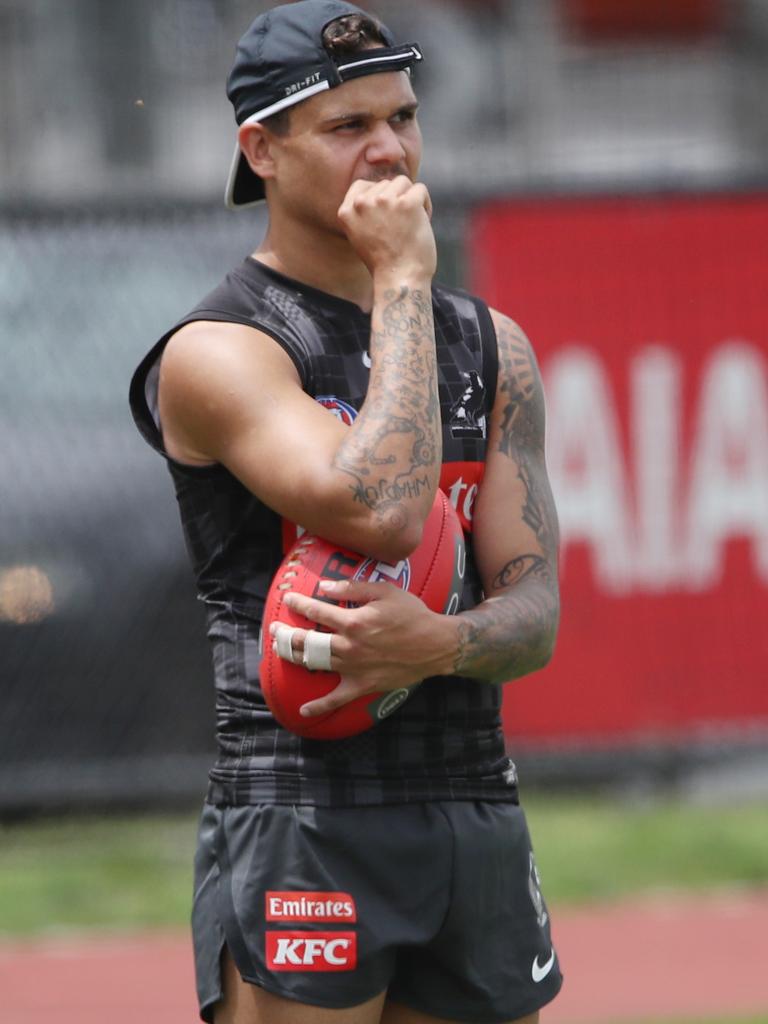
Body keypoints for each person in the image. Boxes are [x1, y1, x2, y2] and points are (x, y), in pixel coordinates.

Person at [129, 2, 563, 1022]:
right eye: (346, 127)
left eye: (403, 117)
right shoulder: (222, 349)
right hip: (304, 809)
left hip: (472, 799)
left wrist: (443, 645)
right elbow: (380, 508)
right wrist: (403, 278)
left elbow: (537, 609)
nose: (389, 150)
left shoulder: (493, 345)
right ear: (261, 150)